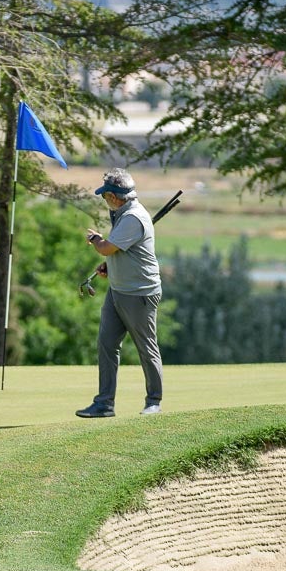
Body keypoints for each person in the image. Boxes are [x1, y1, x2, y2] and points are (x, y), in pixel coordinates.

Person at [75, 168, 163, 419]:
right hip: (118, 291)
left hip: (140, 293)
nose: (104, 200)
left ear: (115, 196)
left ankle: (154, 401)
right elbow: (117, 251)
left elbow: (105, 248)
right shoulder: (122, 214)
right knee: (107, 343)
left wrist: (95, 239)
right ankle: (104, 403)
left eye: (105, 195)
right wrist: (112, 264)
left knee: (146, 348)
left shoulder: (133, 217)